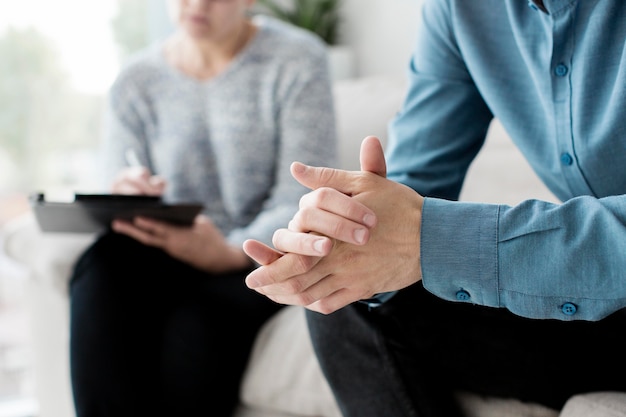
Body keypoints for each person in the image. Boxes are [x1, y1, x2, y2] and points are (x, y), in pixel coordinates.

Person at [242, 0, 626, 416]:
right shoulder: (464, 10)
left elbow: (420, 232)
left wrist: (432, 238)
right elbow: (408, 193)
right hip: (599, 319)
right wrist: (346, 234)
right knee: (351, 282)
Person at [68, 0, 337, 415]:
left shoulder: (297, 60)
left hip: (252, 259)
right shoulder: (135, 81)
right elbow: (118, 176)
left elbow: (300, 194)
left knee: (198, 324)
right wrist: (125, 192)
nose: (196, 4)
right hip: (165, 250)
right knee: (103, 264)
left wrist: (228, 251)